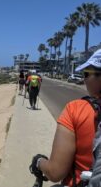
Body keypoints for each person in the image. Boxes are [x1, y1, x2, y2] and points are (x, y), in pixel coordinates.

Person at [29, 49, 101, 187]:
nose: (84, 78)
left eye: (86, 74)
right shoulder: (37, 78)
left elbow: (56, 173)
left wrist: (38, 161)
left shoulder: (75, 109)